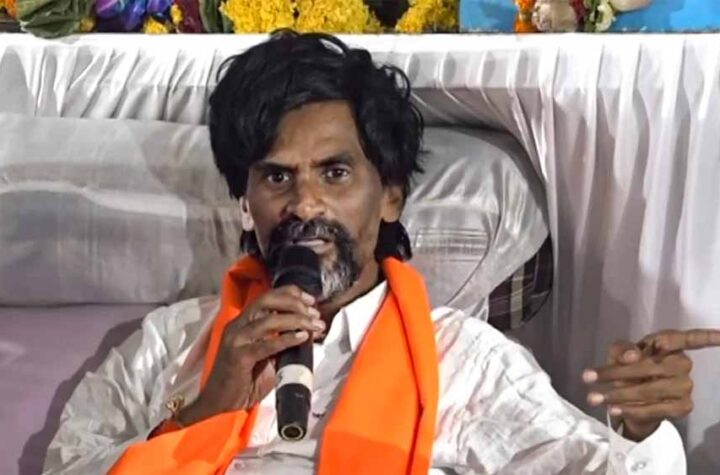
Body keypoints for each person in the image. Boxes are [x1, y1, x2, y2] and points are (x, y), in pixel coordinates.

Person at [43, 31, 720, 475]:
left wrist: (641, 425)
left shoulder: (463, 361)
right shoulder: (171, 342)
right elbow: (67, 465)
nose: (305, 204)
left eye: (335, 173)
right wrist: (207, 409)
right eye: (277, 177)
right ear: (245, 203)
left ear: (390, 195)